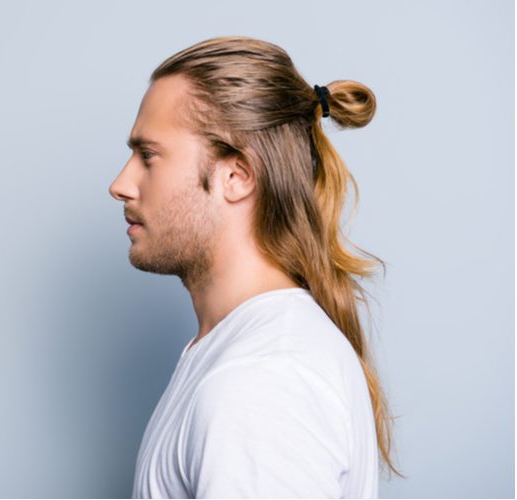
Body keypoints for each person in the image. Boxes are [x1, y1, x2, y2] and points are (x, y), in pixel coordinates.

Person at [108, 36, 403, 499]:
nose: (120, 184)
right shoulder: (240, 353)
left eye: (148, 156)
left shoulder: (261, 383)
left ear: (236, 176)